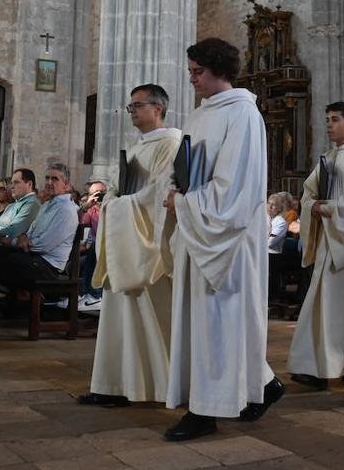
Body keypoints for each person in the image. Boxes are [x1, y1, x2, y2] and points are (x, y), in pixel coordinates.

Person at [163, 38, 282, 441]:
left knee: (219, 323)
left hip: (225, 237)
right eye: (191, 71)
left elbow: (235, 189)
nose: (192, 78)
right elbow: (186, 168)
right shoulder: (200, 116)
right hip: (200, 230)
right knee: (212, 323)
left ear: (219, 70)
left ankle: (206, 411)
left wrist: (183, 201)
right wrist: (175, 190)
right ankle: (262, 386)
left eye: (198, 71)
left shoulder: (243, 114)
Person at [81, 83, 184, 407]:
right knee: (116, 313)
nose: (132, 112)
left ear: (158, 108)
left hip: (146, 245)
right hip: (124, 240)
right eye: (130, 107)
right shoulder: (136, 146)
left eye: (137, 106)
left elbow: (159, 193)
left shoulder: (171, 143)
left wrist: (119, 206)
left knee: (147, 315)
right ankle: (112, 385)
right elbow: (115, 189)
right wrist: (111, 203)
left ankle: (150, 386)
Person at [287, 101, 344, 391]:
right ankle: (318, 367)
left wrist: (324, 208)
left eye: (335, 119)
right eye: (327, 119)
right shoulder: (328, 157)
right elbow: (308, 193)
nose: (329, 125)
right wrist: (311, 205)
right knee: (321, 306)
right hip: (330, 241)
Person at [0, 165, 77, 322]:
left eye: (55, 179)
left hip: (46, 267)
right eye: (47, 178)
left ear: (67, 184)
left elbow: (43, 245)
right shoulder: (47, 205)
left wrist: (18, 242)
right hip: (32, 257)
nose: (49, 182)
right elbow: (28, 234)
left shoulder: (66, 210)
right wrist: (21, 238)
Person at [77, 179, 106, 312]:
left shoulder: (113, 207)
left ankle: (96, 295)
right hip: (94, 250)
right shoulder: (91, 211)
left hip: (107, 250)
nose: (100, 196)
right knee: (78, 262)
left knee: (95, 248)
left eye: (103, 193)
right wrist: (86, 206)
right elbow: (78, 223)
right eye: (96, 193)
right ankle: (87, 294)